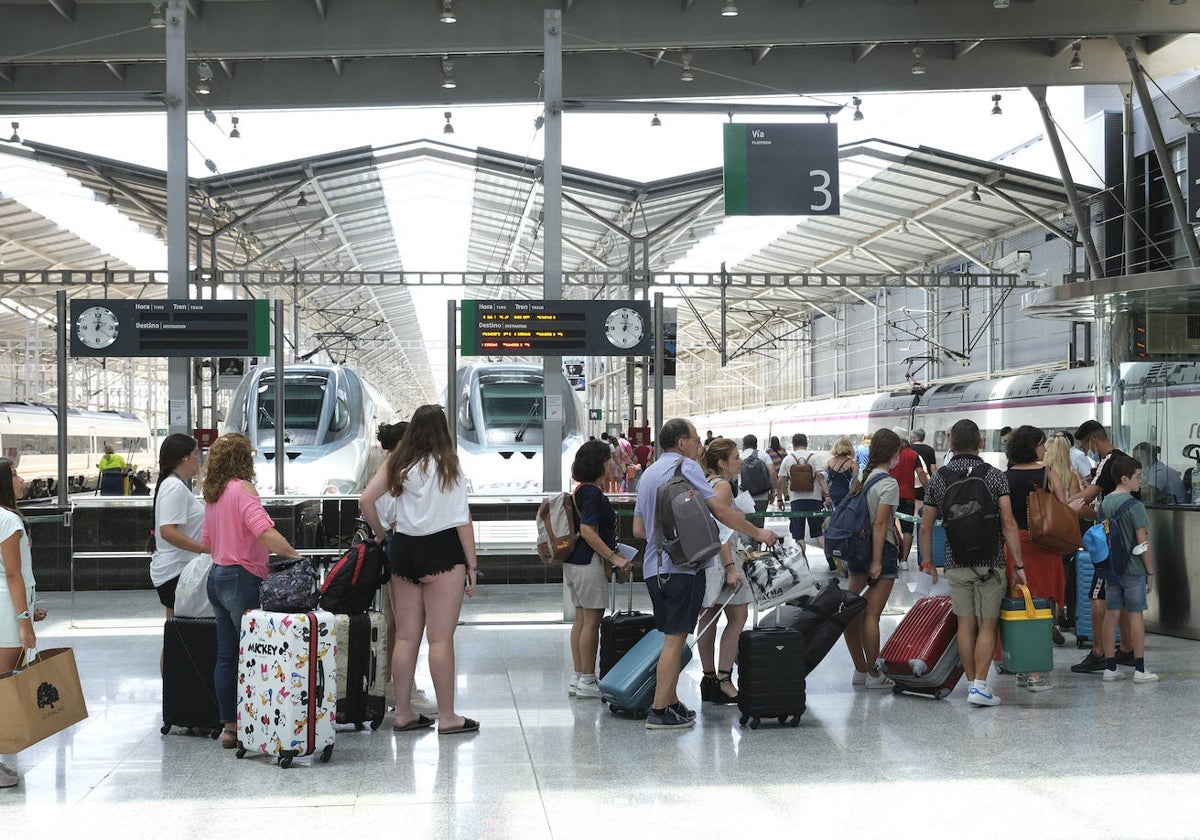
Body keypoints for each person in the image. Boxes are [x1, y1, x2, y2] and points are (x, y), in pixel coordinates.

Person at [632, 418, 777, 730]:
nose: (699, 446)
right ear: (682, 442)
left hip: (653, 568)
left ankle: (670, 702)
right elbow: (722, 513)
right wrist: (759, 533)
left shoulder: (648, 475)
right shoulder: (687, 468)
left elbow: (639, 529)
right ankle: (658, 710)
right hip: (682, 568)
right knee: (675, 639)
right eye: (695, 440)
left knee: (673, 635)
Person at [358, 405, 479, 735]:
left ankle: (404, 714)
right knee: (440, 639)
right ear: (443, 431)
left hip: (404, 552)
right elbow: (461, 520)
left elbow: (365, 500)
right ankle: (449, 717)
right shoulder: (448, 466)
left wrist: (382, 534)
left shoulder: (397, 462)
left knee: (407, 637)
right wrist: (472, 565)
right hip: (442, 552)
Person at [203, 433, 307, 749]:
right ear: (242, 459)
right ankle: (260, 724)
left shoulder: (214, 493)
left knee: (226, 656)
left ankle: (230, 728)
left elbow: (208, 542)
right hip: (241, 577)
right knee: (255, 655)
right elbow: (264, 530)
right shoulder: (242, 489)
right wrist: (294, 555)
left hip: (216, 578)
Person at [924, 419, 1026, 707]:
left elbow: (926, 525)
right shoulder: (995, 476)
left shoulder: (939, 478)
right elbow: (1007, 522)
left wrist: (928, 561)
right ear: (980, 443)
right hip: (990, 561)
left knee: (965, 624)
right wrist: (1018, 563)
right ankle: (981, 685)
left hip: (956, 561)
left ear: (951, 445)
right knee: (988, 624)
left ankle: (972, 684)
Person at [372, 421, 436, 718]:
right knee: (407, 629)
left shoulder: (388, 468)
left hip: (391, 546)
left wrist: (381, 533)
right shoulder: (397, 471)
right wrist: (384, 533)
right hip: (401, 545)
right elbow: (373, 506)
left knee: (393, 622)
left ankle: (386, 685)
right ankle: (404, 691)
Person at [563, 440, 630, 699]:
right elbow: (589, 531)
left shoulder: (581, 489)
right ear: (599, 463)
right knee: (591, 622)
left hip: (575, 562)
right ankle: (588, 679)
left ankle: (579, 677)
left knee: (581, 620)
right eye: (609, 458)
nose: (613, 463)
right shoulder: (591, 493)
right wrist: (614, 557)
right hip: (589, 563)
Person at [1002, 425, 1067, 691]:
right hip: (1044, 545)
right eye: (1042, 444)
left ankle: (1021, 665)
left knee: (1019, 606)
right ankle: (1037, 673)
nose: (1045, 448)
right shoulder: (1048, 474)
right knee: (1041, 607)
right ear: (1033, 447)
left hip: (1015, 546)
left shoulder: (1003, 477)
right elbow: (1062, 509)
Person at [1069, 420, 1135, 673]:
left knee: (1098, 594)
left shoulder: (1109, 462)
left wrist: (1061, 504)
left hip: (1112, 540)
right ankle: (1127, 649)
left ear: (1093, 441)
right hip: (1126, 537)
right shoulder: (1124, 461)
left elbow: (1086, 496)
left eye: (1087, 446)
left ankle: (1098, 652)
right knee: (1123, 595)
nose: (1088, 451)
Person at [0, 458, 47, 789]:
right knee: (4, 686)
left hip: (9, 606)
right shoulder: (8, 520)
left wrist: (29, 611)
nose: (20, 478)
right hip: (6, 611)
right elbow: (13, 574)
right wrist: (23, 621)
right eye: (15, 474)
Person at [843, 428, 902, 689]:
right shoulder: (888, 483)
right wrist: (878, 561)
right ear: (893, 453)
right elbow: (881, 525)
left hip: (856, 551)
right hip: (880, 552)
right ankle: (874, 674)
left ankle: (860, 669)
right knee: (871, 615)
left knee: (850, 612)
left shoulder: (861, 480)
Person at [696, 438, 753, 704]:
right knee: (737, 616)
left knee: (708, 618)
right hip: (723, 562)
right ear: (723, 463)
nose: (740, 460)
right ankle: (724, 679)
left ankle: (708, 680)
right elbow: (722, 533)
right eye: (735, 457)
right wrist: (731, 567)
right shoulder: (723, 487)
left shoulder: (706, 483)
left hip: (707, 561)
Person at [147, 434, 208, 671]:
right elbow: (168, 531)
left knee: (175, 634)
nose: (198, 460)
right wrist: (204, 549)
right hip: (177, 573)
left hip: (176, 571)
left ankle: (173, 692)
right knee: (177, 635)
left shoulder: (175, 485)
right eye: (195, 454)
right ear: (184, 457)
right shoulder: (174, 487)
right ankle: (174, 691)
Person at [1097, 455, 1158, 683]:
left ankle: (1109, 667)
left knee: (1111, 614)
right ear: (1125, 478)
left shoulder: (1104, 504)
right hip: (1133, 569)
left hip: (1111, 568)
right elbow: (1142, 543)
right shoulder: (1135, 506)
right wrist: (1150, 572)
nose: (1140, 481)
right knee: (1135, 615)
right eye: (1137, 477)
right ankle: (1140, 670)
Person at [1044, 434, 1084, 632]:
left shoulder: (1043, 474)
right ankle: (1062, 612)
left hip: (1046, 532)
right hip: (1067, 533)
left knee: (1048, 573)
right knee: (1065, 575)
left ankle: (1049, 615)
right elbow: (1075, 504)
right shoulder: (1071, 475)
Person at [777, 433, 828, 567]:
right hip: (815, 499)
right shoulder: (814, 458)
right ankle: (832, 561)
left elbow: (780, 480)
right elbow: (820, 478)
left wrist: (779, 499)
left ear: (793, 445)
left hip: (796, 501)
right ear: (806, 444)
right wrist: (827, 495)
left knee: (799, 535)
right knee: (818, 533)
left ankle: (803, 566)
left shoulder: (788, 459)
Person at [889, 427, 928, 571]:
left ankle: (893, 557)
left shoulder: (890, 455)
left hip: (890, 495)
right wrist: (927, 491)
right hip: (908, 497)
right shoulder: (913, 454)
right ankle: (904, 560)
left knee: (889, 526)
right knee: (907, 529)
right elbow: (921, 474)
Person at [824, 436, 859, 508]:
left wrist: (826, 495)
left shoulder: (829, 462)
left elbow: (824, 480)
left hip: (830, 496)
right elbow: (855, 484)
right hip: (845, 496)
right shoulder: (853, 464)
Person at [909, 428, 937, 505]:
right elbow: (933, 468)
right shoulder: (930, 450)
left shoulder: (909, 449)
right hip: (924, 481)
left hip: (911, 482)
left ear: (914, 438)